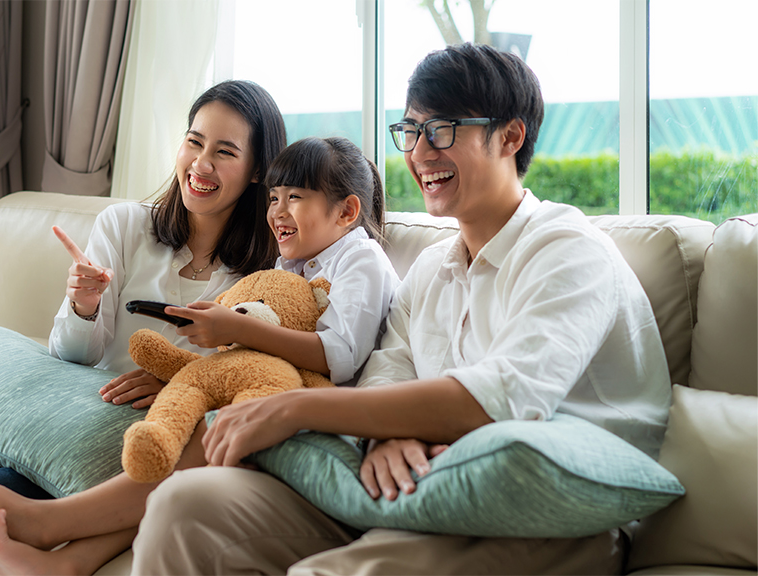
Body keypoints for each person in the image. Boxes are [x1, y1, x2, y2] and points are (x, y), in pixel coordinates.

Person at [130, 43, 672, 576]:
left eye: (442, 130)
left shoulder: (567, 249)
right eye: (411, 131)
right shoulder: (432, 268)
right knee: (185, 508)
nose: (418, 152)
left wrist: (295, 408)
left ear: (510, 136)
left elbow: (505, 397)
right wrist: (389, 431)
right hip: (415, 488)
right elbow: (387, 370)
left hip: (549, 516)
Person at [0, 79, 286, 576]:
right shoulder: (126, 226)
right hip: (66, 420)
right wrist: (85, 303)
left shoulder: (268, 274)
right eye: (194, 142)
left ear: (257, 171)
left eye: (224, 152)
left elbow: (254, 379)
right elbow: (70, 356)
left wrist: (178, 382)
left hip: (144, 441)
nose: (201, 164)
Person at [0, 135, 401, 575]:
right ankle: (72, 561)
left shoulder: (361, 258)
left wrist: (238, 328)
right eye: (275, 198)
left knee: (207, 433)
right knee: (185, 455)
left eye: (295, 198)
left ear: (347, 211)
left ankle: (49, 522)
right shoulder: (294, 264)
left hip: (325, 421)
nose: (278, 212)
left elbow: (338, 355)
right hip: (282, 402)